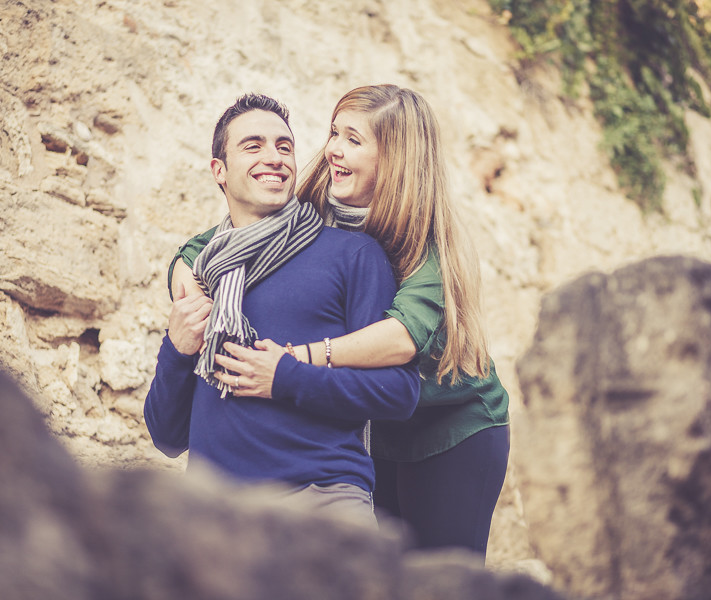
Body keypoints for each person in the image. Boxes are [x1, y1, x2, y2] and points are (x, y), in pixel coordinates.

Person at [172, 85, 510, 555]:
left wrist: (294, 360)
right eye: (334, 132)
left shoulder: (429, 244)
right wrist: (186, 292)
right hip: (379, 426)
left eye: (352, 139)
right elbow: (218, 242)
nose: (332, 148)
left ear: (395, 159)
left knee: (443, 578)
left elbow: (400, 339)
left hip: (447, 425)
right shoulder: (316, 204)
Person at [144, 93, 420, 527]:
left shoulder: (352, 255)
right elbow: (167, 436)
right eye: (253, 146)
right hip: (214, 513)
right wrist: (177, 349)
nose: (273, 157)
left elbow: (399, 394)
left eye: (284, 147)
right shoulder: (204, 279)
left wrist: (286, 378)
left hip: (322, 502)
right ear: (220, 171)